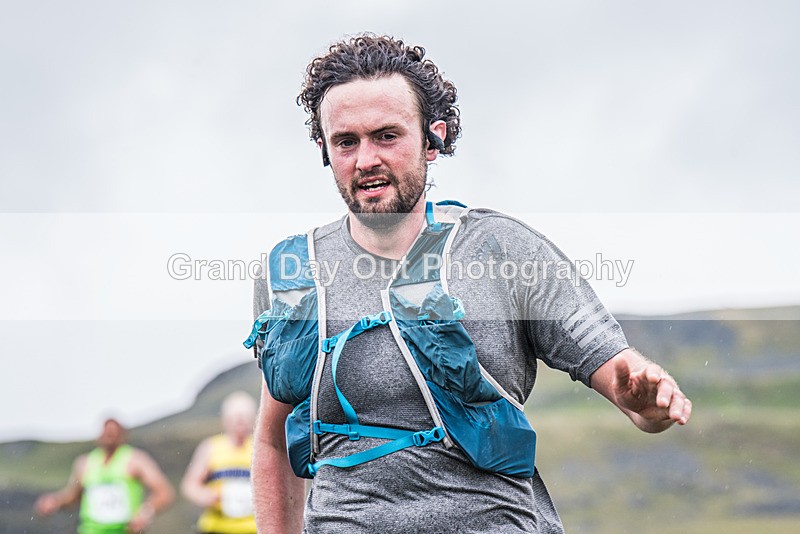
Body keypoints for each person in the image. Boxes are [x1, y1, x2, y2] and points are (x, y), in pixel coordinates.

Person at [246, 34, 693, 533]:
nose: (365, 159)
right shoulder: (293, 270)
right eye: (346, 142)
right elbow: (271, 440)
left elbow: (619, 375)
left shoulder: (502, 249)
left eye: (387, 136)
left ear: (432, 137)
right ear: (326, 152)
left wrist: (645, 405)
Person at [34, 417, 174, 534]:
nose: (109, 438)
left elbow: (164, 492)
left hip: (125, 530)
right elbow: (73, 496)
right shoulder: (85, 463)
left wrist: (145, 513)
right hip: (91, 530)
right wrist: (55, 501)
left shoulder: (136, 460)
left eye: (113, 434)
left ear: (122, 436)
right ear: (99, 436)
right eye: (107, 434)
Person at [181, 391, 258, 534]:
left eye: (245, 418)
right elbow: (190, 485)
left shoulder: (260, 448)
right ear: (225, 420)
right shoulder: (211, 447)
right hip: (215, 527)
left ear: (254, 419)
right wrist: (204, 495)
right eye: (235, 418)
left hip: (253, 528)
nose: (240, 423)